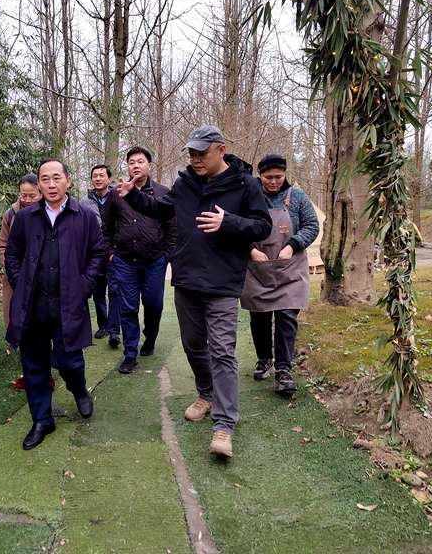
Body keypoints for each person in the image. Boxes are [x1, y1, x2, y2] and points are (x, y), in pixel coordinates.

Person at [115, 125, 271, 457]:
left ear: (221, 150)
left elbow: (262, 225)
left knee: (222, 352)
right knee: (193, 347)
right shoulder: (185, 183)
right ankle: (206, 393)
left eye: (202, 153)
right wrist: (133, 195)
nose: (195, 159)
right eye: (191, 154)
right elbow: (161, 208)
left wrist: (228, 222)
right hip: (186, 279)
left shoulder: (244, 184)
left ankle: (224, 426)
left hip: (223, 282)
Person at [5, 158, 105, 450]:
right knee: (34, 365)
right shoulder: (25, 218)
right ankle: (42, 420)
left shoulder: (84, 217)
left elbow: (98, 254)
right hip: (32, 305)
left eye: (56, 178)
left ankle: (79, 389)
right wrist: (19, 281)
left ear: (68, 181)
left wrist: (85, 286)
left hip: (68, 304)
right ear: (38, 184)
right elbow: (12, 254)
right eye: (45, 179)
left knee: (69, 361)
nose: (51, 184)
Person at [240, 154, 319, 392]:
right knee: (260, 317)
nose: (273, 182)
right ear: (260, 175)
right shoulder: (249, 195)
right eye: (268, 177)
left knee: (286, 317)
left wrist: (292, 245)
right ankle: (264, 359)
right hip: (258, 267)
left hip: (290, 268)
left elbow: (312, 225)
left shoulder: (297, 197)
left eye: (278, 176)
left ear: (285, 174)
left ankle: (283, 369)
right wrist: (251, 250)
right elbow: (237, 226)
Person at [102, 147, 177, 374]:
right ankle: (130, 353)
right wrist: (111, 253)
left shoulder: (163, 192)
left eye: (140, 161)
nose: (136, 165)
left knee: (154, 305)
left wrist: (166, 256)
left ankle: (150, 338)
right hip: (124, 261)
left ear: (149, 166)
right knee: (128, 309)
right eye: (131, 162)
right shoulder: (116, 194)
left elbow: (172, 228)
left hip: (155, 262)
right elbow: (106, 226)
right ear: (127, 166)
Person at [0, 175, 53, 392]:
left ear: (40, 192)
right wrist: (14, 275)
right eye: (23, 195)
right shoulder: (11, 214)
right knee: (20, 326)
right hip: (16, 280)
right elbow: (3, 246)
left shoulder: (48, 212)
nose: (27, 200)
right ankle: (29, 374)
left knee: (42, 326)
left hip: (43, 281)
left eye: (32, 195)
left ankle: (46, 374)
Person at [79, 165, 121, 347]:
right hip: (94, 253)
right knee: (97, 292)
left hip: (114, 252)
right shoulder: (84, 201)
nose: (98, 179)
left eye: (101, 176)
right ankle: (103, 325)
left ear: (109, 179)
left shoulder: (118, 197)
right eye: (94, 176)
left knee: (115, 291)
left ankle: (114, 330)